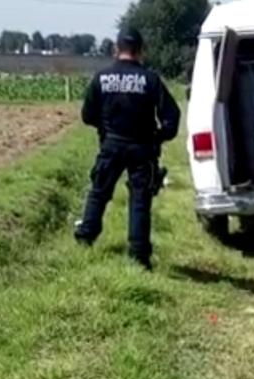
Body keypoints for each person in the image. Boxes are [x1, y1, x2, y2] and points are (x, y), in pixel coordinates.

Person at [75, 27, 181, 270]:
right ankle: (139, 255)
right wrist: (158, 137)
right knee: (140, 201)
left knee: (99, 192)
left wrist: (104, 126)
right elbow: (172, 116)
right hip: (142, 148)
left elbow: (87, 115)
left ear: (116, 48)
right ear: (141, 50)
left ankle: (86, 237)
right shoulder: (151, 80)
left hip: (111, 144)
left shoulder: (101, 78)